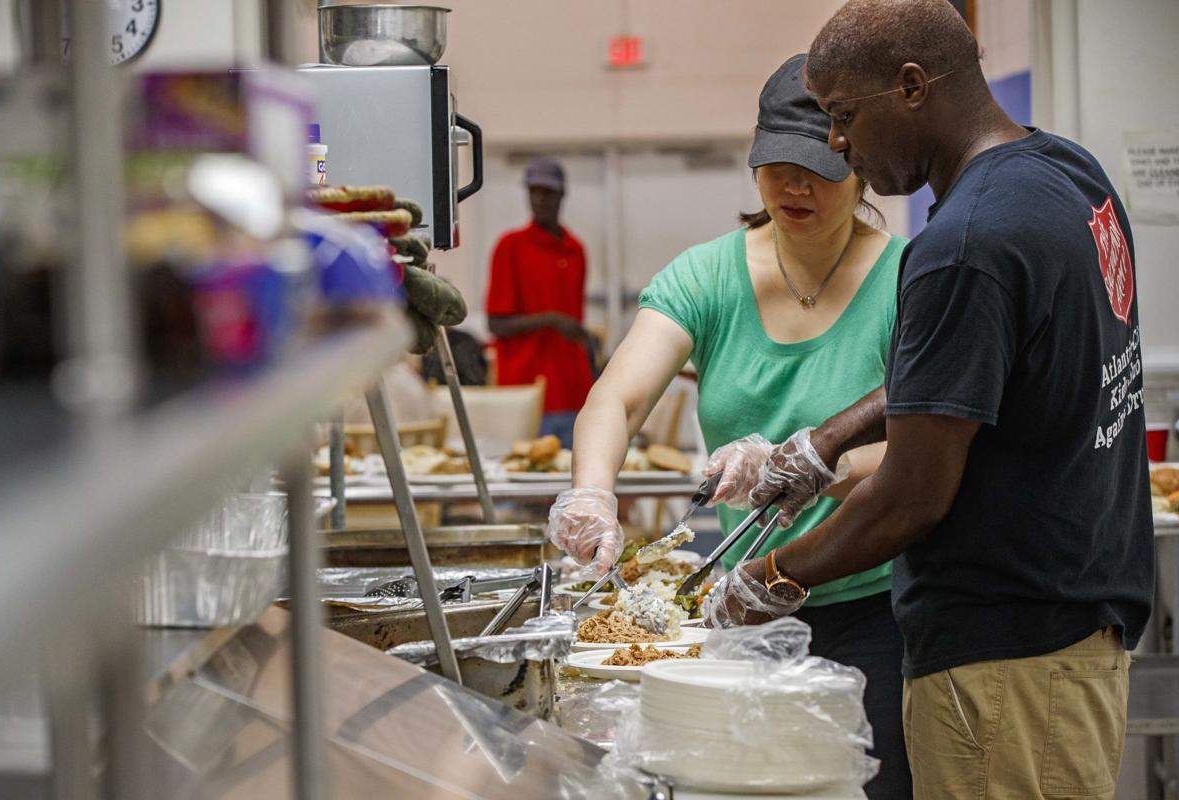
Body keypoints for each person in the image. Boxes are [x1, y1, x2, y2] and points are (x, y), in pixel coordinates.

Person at [703, 2, 1154, 798]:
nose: (837, 143)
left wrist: (763, 580)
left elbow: (910, 498)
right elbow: (979, 367)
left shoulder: (964, 244)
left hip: (1005, 660)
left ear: (911, 87)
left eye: (843, 117)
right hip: (1073, 620)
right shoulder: (1063, 172)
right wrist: (828, 439)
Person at [548, 55, 912, 799]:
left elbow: (923, 447)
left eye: (816, 166)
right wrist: (590, 493)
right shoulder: (707, 277)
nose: (792, 186)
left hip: (874, 606)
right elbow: (615, 400)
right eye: (774, 163)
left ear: (861, 164)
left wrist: (812, 467)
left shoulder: (911, 278)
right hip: (736, 610)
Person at [486, 158, 593, 448]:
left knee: (575, 486)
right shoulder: (509, 247)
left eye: (547, 192)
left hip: (573, 389)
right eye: (534, 191)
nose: (540, 199)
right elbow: (496, 324)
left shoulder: (576, 251)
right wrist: (551, 319)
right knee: (521, 487)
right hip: (525, 392)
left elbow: (575, 321)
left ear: (561, 195)